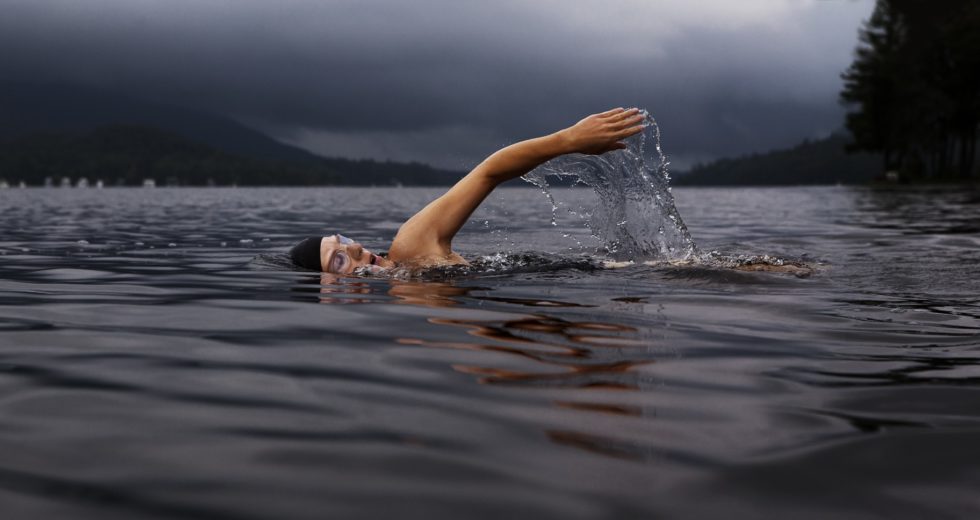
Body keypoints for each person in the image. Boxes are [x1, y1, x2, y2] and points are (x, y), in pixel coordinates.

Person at [289, 107, 646, 274]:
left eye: (343, 240)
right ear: (329, 292)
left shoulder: (410, 248)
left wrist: (568, 140)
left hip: (621, 274)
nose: (354, 248)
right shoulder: (407, 304)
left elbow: (488, 172)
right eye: (338, 259)